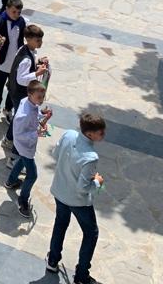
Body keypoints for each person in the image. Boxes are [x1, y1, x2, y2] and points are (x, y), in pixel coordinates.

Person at [46, 113, 107, 284]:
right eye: (100, 132)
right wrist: (97, 182)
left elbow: (55, 154)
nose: (103, 134)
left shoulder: (68, 134)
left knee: (60, 224)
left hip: (59, 191)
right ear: (90, 134)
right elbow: (83, 188)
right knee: (91, 233)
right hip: (77, 201)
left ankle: (52, 260)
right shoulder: (91, 156)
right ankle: (81, 276)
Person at [5, 79, 53, 218]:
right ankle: (22, 201)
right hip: (25, 145)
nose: (42, 100)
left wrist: (42, 115)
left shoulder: (28, 101)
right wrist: (37, 132)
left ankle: (11, 181)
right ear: (30, 94)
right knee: (32, 175)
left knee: (21, 161)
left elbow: (35, 113)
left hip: (25, 146)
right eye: (39, 97)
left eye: (43, 97)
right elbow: (19, 134)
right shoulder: (23, 115)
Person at [2, 24, 49, 158]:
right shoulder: (26, 59)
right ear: (28, 39)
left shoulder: (25, 49)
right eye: (37, 40)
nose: (40, 43)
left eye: (41, 40)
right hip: (19, 92)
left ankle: (8, 138)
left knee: (17, 116)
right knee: (20, 120)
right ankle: (12, 145)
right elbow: (21, 79)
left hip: (14, 89)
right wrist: (37, 73)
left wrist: (39, 62)